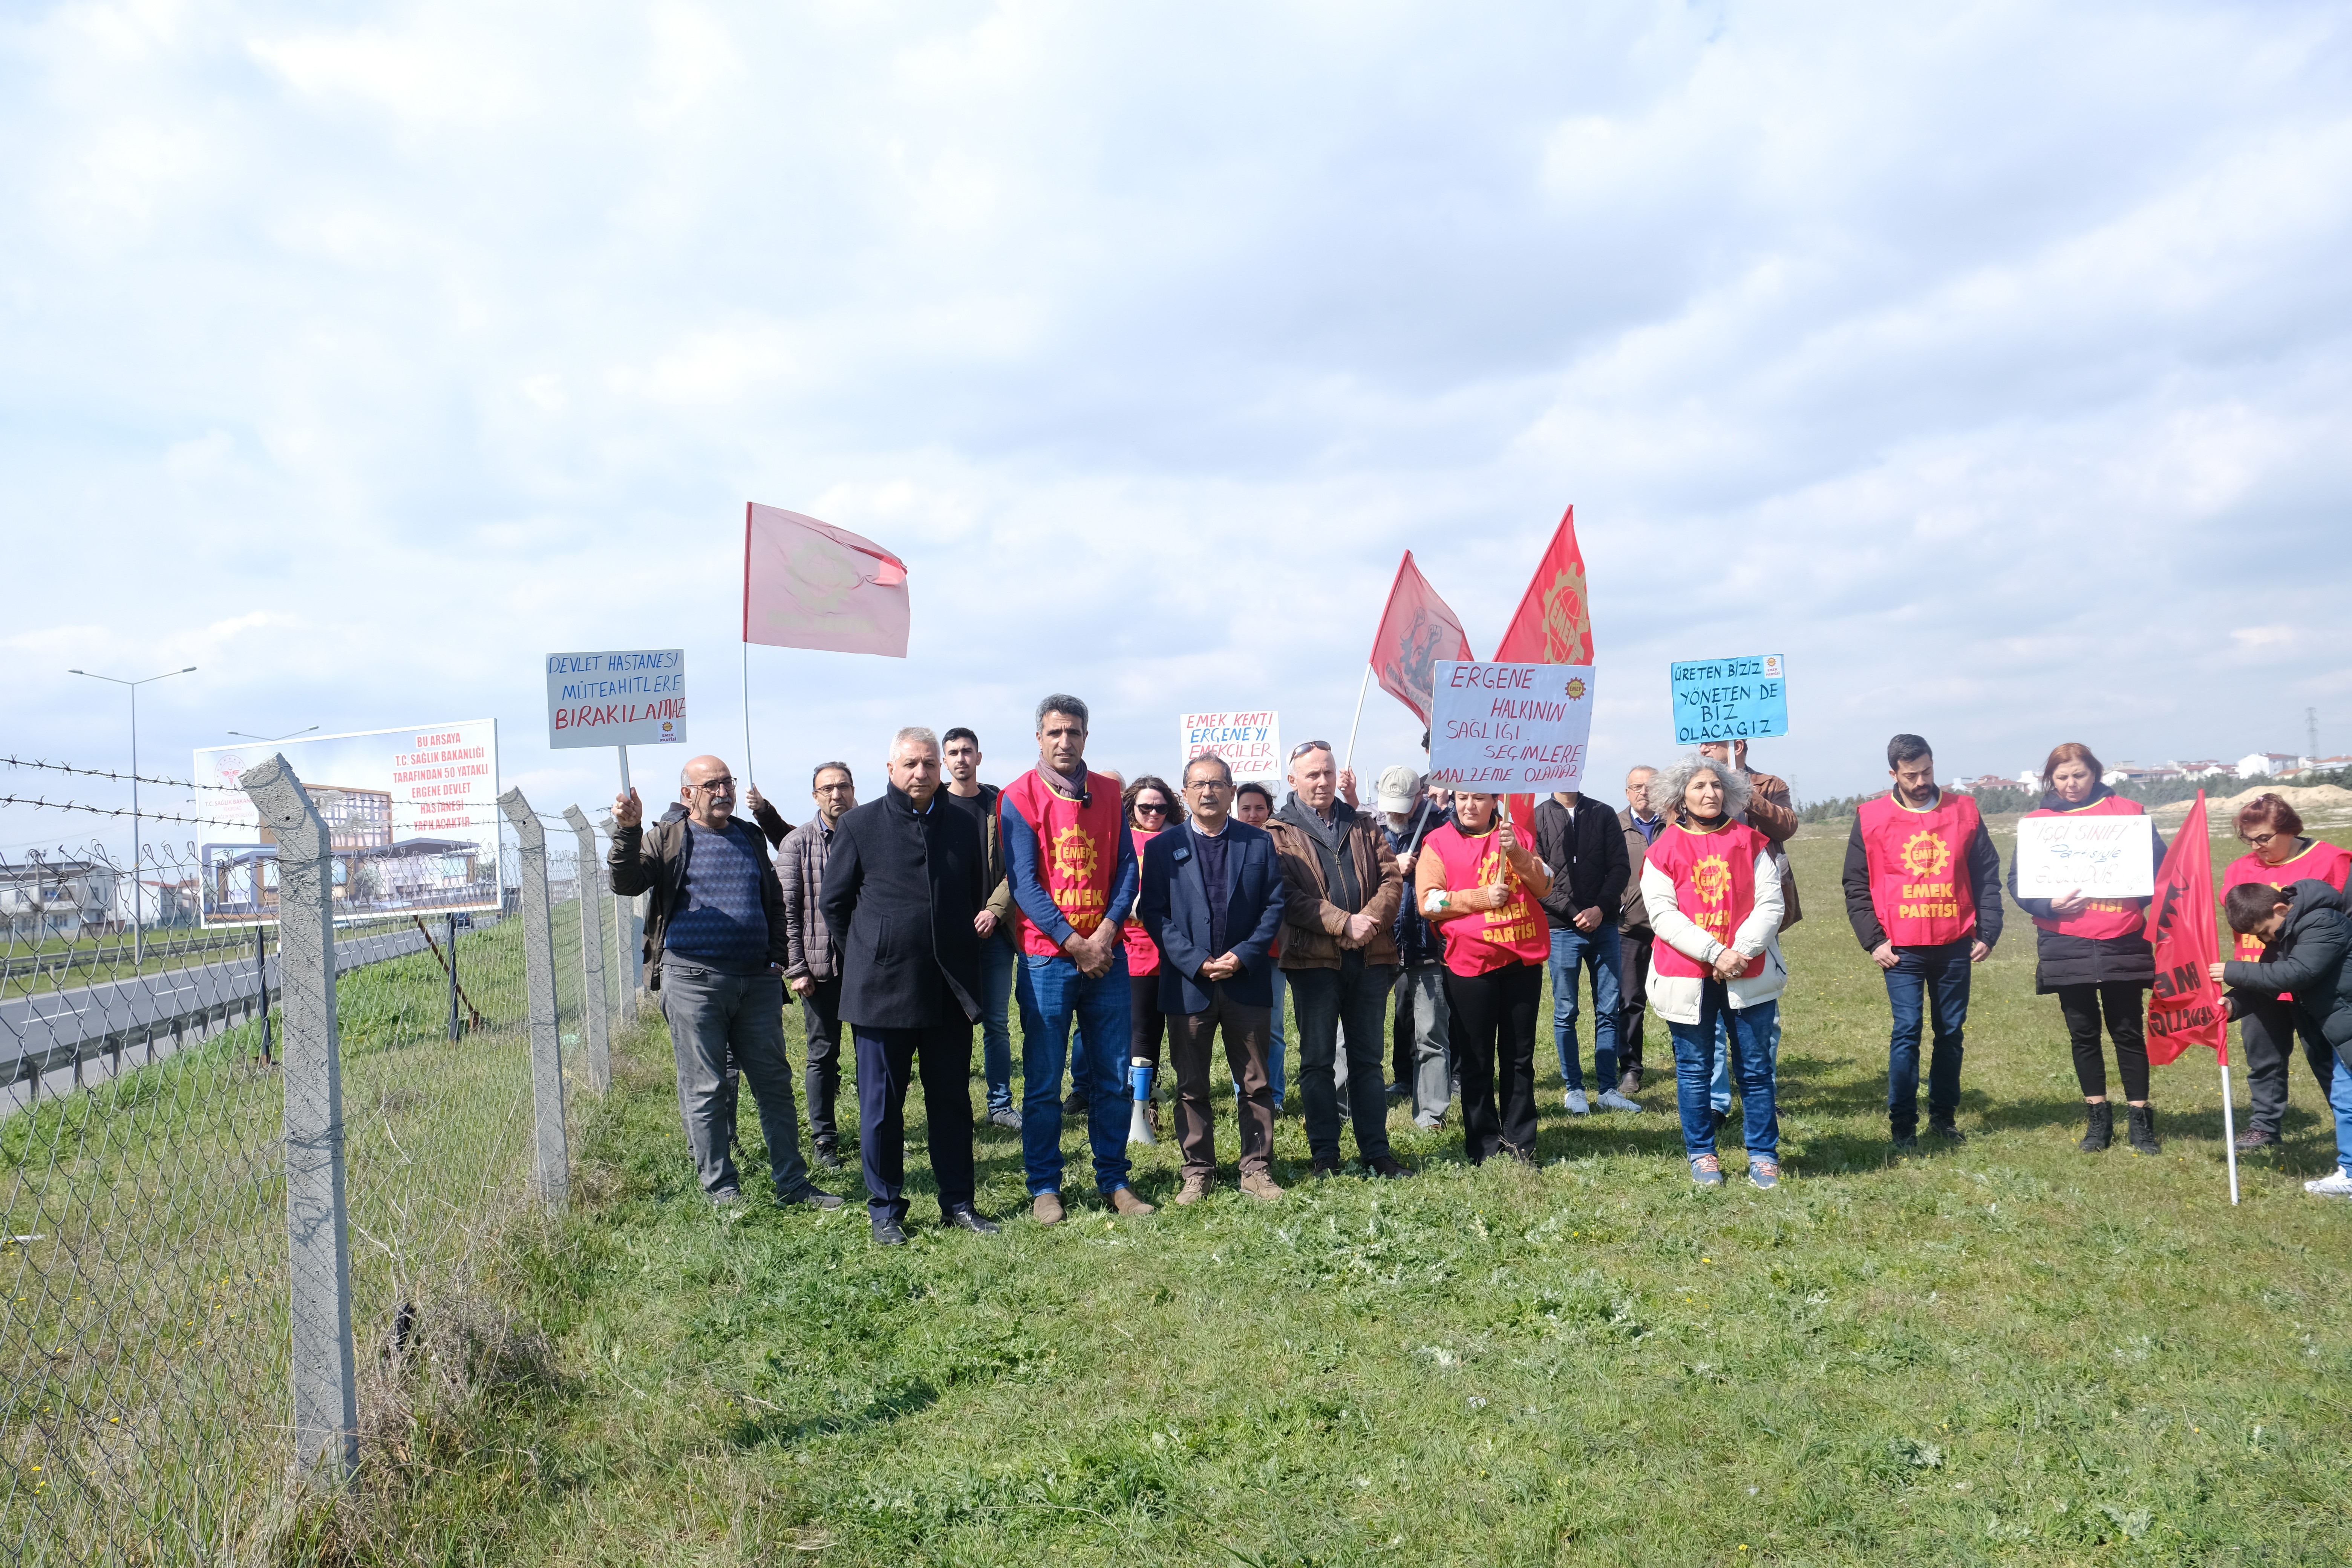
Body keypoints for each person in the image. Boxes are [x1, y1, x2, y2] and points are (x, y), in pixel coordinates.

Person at [608, 755, 842, 1210]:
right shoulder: (669, 837)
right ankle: (722, 1190)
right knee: (707, 1086)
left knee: (774, 1082)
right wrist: (629, 830)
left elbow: (774, 900)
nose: (723, 791)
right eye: (711, 784)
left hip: (755, 980)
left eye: (727, 782)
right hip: (693, 978)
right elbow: (626, 882)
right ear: (688, 794)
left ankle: (793, 1184)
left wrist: (778, 958)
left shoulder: (750, 836)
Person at [818, 728, 997, 1245]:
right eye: (911, 764)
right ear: (892, 769)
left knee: (951, 1101)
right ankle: (886, 1211)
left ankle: (959, 1203)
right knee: (881, 1108)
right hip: (882, 993)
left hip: (946, 990)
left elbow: (969, 895)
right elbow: (835, 904)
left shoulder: (962, 826)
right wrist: (871, 954)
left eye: (929, 764)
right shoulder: (859, 825)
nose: (921, 773)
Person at [1000, 694, 1152, 1223]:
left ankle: (1114, 1179)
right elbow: (1024, 883)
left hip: (1107, 956)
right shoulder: (1018, 797)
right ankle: (1045, 1186)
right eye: (1055, 733)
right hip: (1049, 957)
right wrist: (1075, 942)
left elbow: (1127, 868)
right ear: (1039, 738)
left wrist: (1107, 931)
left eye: (1074, 733)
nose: (1065, 742)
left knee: (1111, 1075)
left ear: (1087, 736)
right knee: (1044, 1082)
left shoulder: (1110, 792)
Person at [2006, 743, 2168, 1156]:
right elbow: (2017, 882)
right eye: (2062, 777)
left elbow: (2161, 870)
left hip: (2122, 939)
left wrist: (2133, 890)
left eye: (2078, 775)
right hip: (2065, 943)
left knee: (2128, 1030)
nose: (2071, 784)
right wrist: (2049, 904)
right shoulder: (2039, 824)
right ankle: (2098, 1118)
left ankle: (2141, 1120)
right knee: (2083, 1033)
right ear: (2050, 780)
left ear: (2094, 773)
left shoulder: (2129, 814)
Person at [1843, 733, 2003, 1150]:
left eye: (1927, 772)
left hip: (1955, 944)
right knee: (1907, 1031)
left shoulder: (1964, 811)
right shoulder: (1872, 816)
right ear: (1893, 773)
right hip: (1901, 950)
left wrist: (1988, 929)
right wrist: (1873, 940)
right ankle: (1903, 1124)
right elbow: (1855, 883)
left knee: (1950, 1031)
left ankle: (1944, 1117)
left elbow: (1987, 874)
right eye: (1911, 775)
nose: (1921, 781)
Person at [1140, 755, 1289, 1202]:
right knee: (1191, 1084)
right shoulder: (1162, 848)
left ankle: (1257, 1168)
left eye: (1217, 784)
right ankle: (1198, 1169)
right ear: (1184, 793)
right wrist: (1197, 960)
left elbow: (1274, 906)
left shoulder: (1258, 843)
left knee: (1256, 1081)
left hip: (1245, 980)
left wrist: (1242, 956)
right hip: (1190, 983)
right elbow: (1155, 913)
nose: (1208, 791)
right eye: (1198, 784)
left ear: (1231, 791)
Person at [1641, 754, 1788, 1188]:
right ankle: (1702, 1153)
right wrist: (1713, 952)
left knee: (1756, 1069)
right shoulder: (1663, 848)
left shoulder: (1751, 841)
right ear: (1680, 797)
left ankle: (1763, 1154)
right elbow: (1663, 914)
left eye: (1716, 785)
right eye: (1699, 787)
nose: (1710, 794)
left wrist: (1738, 952)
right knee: (1694, 1069)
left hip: (1749, 970)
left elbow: (1770, 903)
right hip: (1688, 975)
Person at [1268, 740, 1412, 1180]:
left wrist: (1367, 920)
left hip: (1371, 957)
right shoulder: (1278, 832)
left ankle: (1377, 1152)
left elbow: (1392, 878)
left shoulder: (1364, 823)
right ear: (1292, 780)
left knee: (1368, 1060)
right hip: (1314, 963)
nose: (1323, 781)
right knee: (1316, 1061)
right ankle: (1325, 1155)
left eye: (1329, 772)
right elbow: (1286, 896)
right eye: (1313, 774)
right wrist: (1341, 923)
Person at [1414, 788, 1552, 1163]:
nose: (1468, 805)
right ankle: (1484, 1145)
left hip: (1521, 960)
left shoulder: (1515, 835)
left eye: (1478, 798)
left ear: (1496, 800)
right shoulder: (1438, 842)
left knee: (1519, 1057)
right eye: (1461, 798)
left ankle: (1522, 1141)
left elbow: (1545, 884)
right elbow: (1428, 901)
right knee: (1476, 1059)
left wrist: (1520, 854)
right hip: (1470, 965)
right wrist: (1477, 898)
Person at [2222, 793, 2352, 1155]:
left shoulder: (2333, 860)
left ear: (2289, 829)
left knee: (2329, 1058)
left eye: (2263, 837)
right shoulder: (2239, 869)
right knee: (2263, 1058)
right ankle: (2264, 1126)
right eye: (2248, 839)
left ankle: (2347, 1131)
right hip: (2259, 978)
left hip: (2316, 981)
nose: (2257, 846)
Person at [2215, 880, 2352, 1199]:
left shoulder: (2323, 922)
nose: (2265, 939)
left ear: (2280, 909)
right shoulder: (2286, 931)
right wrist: (2232, 1005)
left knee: (2346, 1101)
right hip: (2341, 1024)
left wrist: (2232, 970)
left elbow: (2296, 974)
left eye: (2264, 931)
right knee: (2346, 1098)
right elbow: (2269, 982)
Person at [1534, 781, 1634, 1114]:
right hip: (1563, 929)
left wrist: (1600, 908)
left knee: (1608, 1009)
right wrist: (1574, 912)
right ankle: (1574, 1089)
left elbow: (1620, 867)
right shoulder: (1537, 818)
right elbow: (1537, 878)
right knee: (1566, 1012)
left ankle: (1608, 1089)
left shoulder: (1603, 813)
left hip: (1603, 926)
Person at [778, 761, 857, 1169]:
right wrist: (797, 967)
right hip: (818, 968)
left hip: (867, 967)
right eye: (827, 788)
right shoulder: (797, 843)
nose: (835, 794)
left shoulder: (869, 831)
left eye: (842, 786)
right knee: (823, 1053)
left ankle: (881, 1130)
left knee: (875, 1054)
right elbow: (787, 910)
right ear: (815, 796)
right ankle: (824, 1137)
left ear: (853, 788)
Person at [942, 726, 1020, 1131]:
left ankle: (1001, 1104)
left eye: (967, 751)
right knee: (949, 1024)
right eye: (953, 752)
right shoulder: (932, 805)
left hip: (994, 935)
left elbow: (1019, 866)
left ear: (979, 756)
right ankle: (953, 1105)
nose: (961, 758)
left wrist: (994, 910)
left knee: (995, 1023)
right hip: (947, 938)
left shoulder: (1001, 804)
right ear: (944, 760)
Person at [1376, 765, 1452, 1129]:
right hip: (1380, 945)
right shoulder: (1370, 830)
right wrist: (1393, 865)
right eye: (1390, 805)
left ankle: (1432, 1113)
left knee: (1432, 1034)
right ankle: (1350, 1108)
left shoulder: (1441, 830)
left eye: (1404, 804)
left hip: (1427, 945)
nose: (1397, 813)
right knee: (1360, 1033)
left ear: (1420, 796)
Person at [1121, 775, 1180, 1138]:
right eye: (1146, 807)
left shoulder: (1182, 838)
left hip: (1179, 948)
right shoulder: (1124, 839)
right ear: (1133, 808)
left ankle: (1187, 1100)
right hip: (1137, 946)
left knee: (1182, 1030)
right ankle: (1143, 1107)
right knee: (1144, 1030)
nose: (1153, 814)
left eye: (1160, 807)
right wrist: (1136, 908)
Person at [1234, 780, 1289, 1110]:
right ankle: (1245, 1094)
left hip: (1271, 953)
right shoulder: (1225, 844)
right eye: (1246, 808)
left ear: (1270, 810)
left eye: (1260, 808)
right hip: (1235, 953)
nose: (1253, 815)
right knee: (1239, 1029)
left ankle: (1275, 1097)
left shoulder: (1284, 845)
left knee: (1273, 1028)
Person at [1614, 766, 1665, 1099]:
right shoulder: (1614, 826)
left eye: (1650, 787)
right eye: (1636, 787)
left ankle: (1690, 1061)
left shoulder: (1677, 823)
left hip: (1672, 928)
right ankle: (1630, 1069)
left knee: (1682, 998)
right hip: (1629, 928)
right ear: (1627, 792)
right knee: (1629, 1001)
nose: (1643, 792)